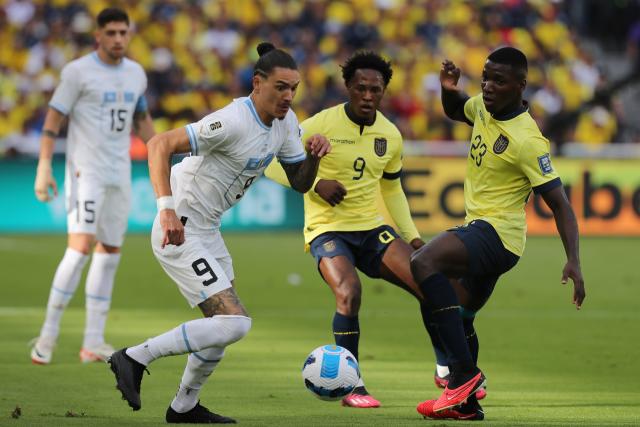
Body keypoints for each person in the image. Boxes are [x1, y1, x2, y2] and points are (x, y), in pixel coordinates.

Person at [107, 42, 331, 424]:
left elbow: (299, 181)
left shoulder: (286, 123)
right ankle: (133, 357)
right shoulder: (232, 120)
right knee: (235, 323)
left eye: (294, 87)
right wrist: (167, 212)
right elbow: (159, 144)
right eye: (280, 87)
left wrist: (313, 157)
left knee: (220, 329)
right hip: (180, 229)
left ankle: (184, 407)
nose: (289, 96)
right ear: (257, 84)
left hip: (207, 230)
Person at [266, 51, 466, 408]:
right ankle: (352, 386)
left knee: (430, 280)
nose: (368, 96)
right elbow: (272, 164)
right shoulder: (319, 124)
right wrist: (316, 184)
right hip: (327, 230)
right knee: (349, 291)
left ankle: (446, 369)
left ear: (384, 90)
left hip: (371, 230)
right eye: (361, 88)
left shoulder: (389, 134)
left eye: (376, 89)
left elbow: (392, 188)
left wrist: (413, 236)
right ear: (348, 87)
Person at [411, 47, 586, 420]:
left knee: (423, 262)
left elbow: (561, 205)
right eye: (485, 78)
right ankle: (466, 406)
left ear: (520, 87)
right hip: (485, 232)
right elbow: (456, 108)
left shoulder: (527, 140)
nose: (488, 87)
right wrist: (447, 87)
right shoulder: (482, 107)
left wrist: (573, 260)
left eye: (499, 81)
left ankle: (462, 375)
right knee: (458, 315)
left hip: (497, 235)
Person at [30, 7, 155, 365]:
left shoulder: (135, 74)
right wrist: (44, 167)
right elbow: (52, 121)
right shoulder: (77, 72)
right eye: (111, 32)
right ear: (98, 36)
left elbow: (142, 118)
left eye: (123, 32)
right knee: (80, 246)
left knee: (110, 250)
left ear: (129, 35)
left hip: (119, 172)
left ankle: (92, 341)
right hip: (86, 171)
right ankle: (48, 335)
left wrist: (160, 155)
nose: (118, 39)